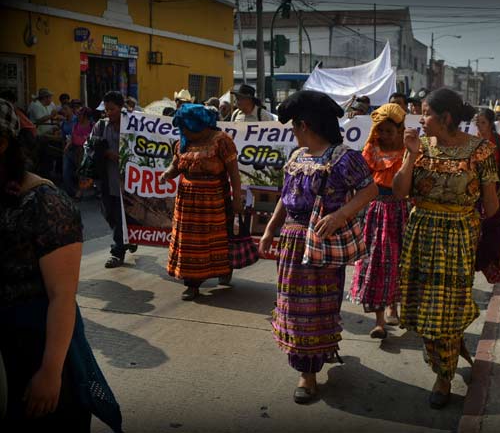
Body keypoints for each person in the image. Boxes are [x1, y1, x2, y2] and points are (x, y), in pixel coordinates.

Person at [0, 98, 122, 432]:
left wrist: (50, 372)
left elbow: (61, 296)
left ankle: (120, 245)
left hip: (30, 348)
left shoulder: (46, 203)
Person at [258, 90, 377, 404]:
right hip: (292, 243)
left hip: (322, 246)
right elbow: (285, 198)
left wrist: (340, 215)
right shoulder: (297, 157)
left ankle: (309, 371)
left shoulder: (344, 158)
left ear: (305, 125)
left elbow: (370, 189)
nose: (293, 133)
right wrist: (270, 231)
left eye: (295, 127)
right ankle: (306, 369)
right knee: (292, 308)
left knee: (317, 309)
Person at [392, 88, 499, 409]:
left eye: (424, 112)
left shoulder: (481, 150)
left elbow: (491, 207)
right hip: (421, 234)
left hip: (457, 239)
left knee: (447, 309)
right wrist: (410, 155)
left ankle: (443, 374)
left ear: (446, 118)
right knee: (424, 308)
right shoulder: (419, 146)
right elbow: (399, 192)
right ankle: (445, 357)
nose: (419, 119)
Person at [160, 104, 243, 300]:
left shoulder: (221, 141)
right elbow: (176, 166)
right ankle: (192, 283)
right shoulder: (182, 142)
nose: (184, 131)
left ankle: (224, 269)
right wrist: (166, 175)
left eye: (187, 127)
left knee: (217, 240)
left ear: (199, 124)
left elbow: (233, 173)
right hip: (187, 203)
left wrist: (237, 198)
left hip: (214, 202)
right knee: (190, 243)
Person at [348, 103, 409, 338]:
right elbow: (361, 183)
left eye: (389, 131)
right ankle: (380, 321)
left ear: (400, 130)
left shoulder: (410, 152)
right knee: (375, 263)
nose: (383, 135)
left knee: (399, 261)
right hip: (375, 213)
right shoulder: (370, 150)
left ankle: (396, 306)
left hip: (402, 212)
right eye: (380, 130)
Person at [84, 91, 137, 268]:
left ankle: (118, 251)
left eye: (112, 109)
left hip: (128, 181)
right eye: (106, 109)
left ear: (121, 108)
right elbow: (88, 145)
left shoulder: (133, 125)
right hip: (106, 178)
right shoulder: (101, 126)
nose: (109, 113)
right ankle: (128, 237)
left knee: (122, 214)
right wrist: (105, 153)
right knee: (109, 214)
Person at [476, 108, 500, 202]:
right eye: (477, 122)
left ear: (490, 124)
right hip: (475, 186)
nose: (479, 125)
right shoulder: (472, 140)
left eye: (483, 123)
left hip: (495, 185)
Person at [63, 107, 93, 200]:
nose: (78, 116)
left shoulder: (92, 126)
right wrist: (67, 146)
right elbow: (72, 137)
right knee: (66, 172)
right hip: (73, 150)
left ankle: (79, 193)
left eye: (80, 114)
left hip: (85, 152)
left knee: (82, 174)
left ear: (85, 116)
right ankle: (71, 191)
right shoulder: (76, 124)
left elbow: (93, 140)